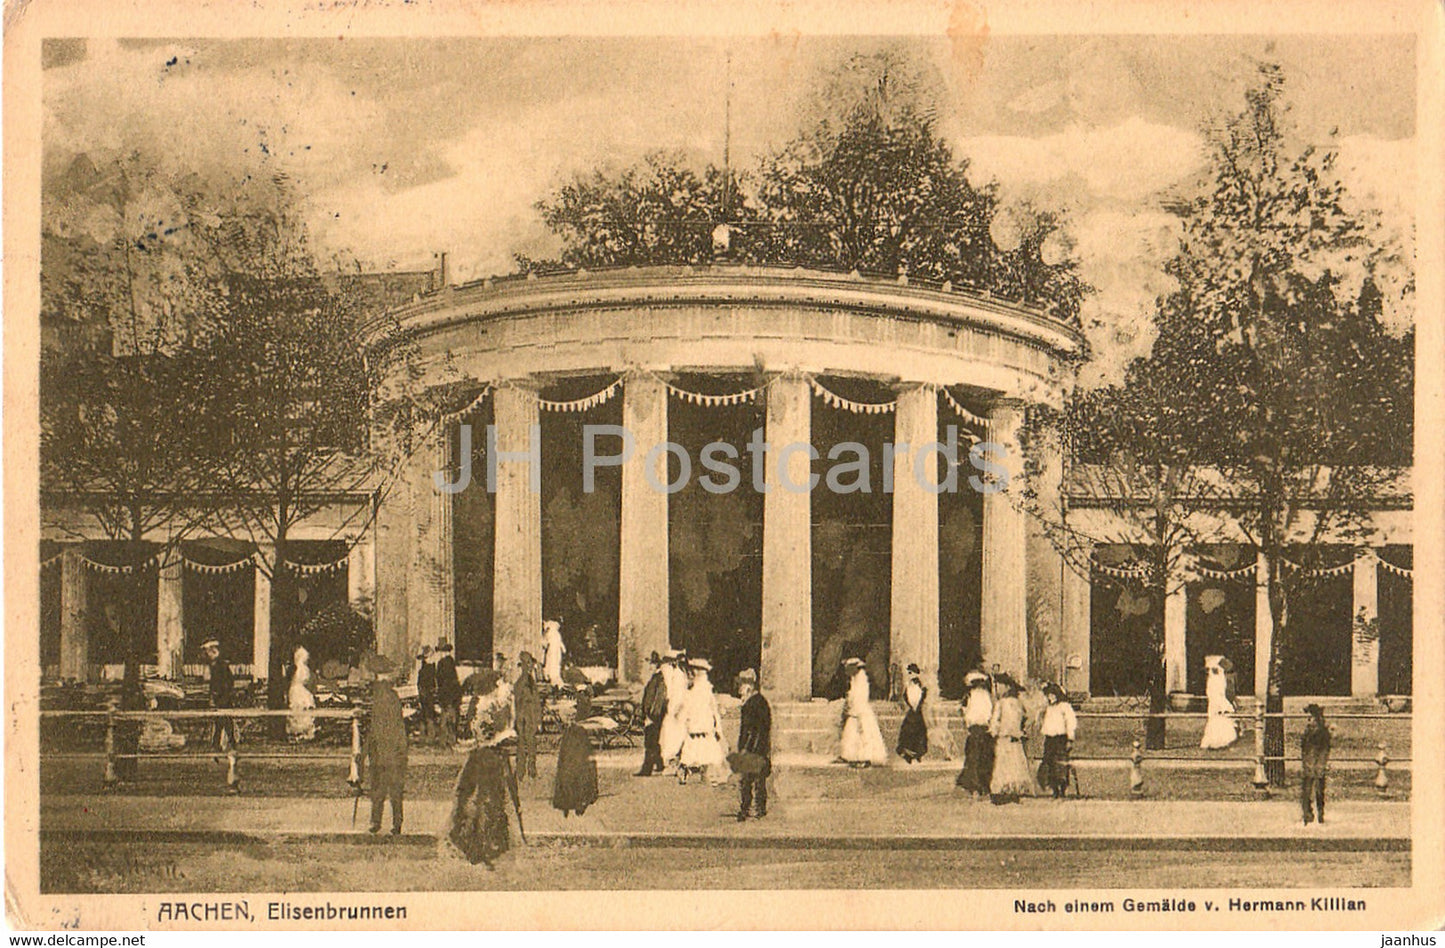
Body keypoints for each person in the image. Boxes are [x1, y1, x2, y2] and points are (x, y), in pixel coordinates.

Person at [449, 669, 517, 866]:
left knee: (481, 800)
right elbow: (488, 738)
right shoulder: (485, 709)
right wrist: (504, 735)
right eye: (498, 684)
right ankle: (483, 845)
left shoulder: (484, 706)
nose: (500, 687)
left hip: (481, 757)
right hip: (488, 759)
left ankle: (481, 842)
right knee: (487, 801)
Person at [359, 654, 408, 835]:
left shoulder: (379, 697)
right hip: (392, 747)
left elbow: (375, 727)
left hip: (382, 747)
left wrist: (364, 750)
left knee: (379, 787)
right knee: (393, 788)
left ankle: (377, 821)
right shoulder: (391, 696)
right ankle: (396, 822)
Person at [988, 675, 1038, 804]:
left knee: (1004, 765)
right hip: (1015, 738)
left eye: (999, 686)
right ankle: (1013, 791)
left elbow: (995, 721)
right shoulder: (1018, 703)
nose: (997, 689)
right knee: (1015, 765)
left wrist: (994, 732)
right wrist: (1023, 728)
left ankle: (1003, 792)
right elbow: (1031, 716)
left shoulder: (1002, 703)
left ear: (1006, 687)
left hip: (1005, 738)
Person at [678, 658, 728, 785]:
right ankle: (687, 770)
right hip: (696, 725)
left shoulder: (705, 689)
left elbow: (713, 709)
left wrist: (717, 726)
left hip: (704, 725)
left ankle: (711, 775)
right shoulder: (690, 690)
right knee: (693, 751)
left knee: (709, 752)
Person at [732, 669, 772, 821]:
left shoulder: (756, 703)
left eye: (742, 685)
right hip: (755, 747)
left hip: (754, 748)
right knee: (752, 780)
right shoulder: (755, 702)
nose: (739, 689)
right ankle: (754, 808)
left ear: (749, 685)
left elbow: (757, 729)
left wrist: (747, 749)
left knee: (751, 780)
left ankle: (751, 809)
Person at [202, 639, 240, 794]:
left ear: (214, 651)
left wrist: (219, 696)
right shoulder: (216, 665)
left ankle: (223, 746)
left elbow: (226, 683)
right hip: (221, 700)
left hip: (223, 700)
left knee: (223, 724)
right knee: (222, 724)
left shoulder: (221, 665)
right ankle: (222, 746)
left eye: (209, 652)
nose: (207, 655)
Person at [838, 657, 888, 768]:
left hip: (860, 710)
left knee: (864, 734)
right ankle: (851, 756)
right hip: (854, 710)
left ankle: (865, 758)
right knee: (851, 735)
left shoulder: (862, 679)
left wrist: (857, 712)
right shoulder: (854, 678)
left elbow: (860, 698)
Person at [956, 669, 995, 797]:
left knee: (977, 758)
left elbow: (966, 712)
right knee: (980, 758)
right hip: (981, 729)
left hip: (979, 729)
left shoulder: (975, 696)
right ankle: (980, 786)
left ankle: (979, 786)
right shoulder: (983, 696)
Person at [1038, 683, 1078, 799]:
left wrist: (1070, 738)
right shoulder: (1049, 708)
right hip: (1050, 739)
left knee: (1060, 764)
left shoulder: (1064, 707)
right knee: (1049, 763)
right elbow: (1043, 722)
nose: (1051, 698)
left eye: (1053, 695)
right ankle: (1054, 788)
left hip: (1061, 738)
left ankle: (1062, 789)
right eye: (1049, 695)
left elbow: (1071, 722)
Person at [553, 720, 599, 818]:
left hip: (579, 732)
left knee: (578, 764)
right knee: (569, 764)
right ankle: (568, 800)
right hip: (574, 732)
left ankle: (577, 800)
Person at [635, 651, 667, 777]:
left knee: (650, 741)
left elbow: (657, 699)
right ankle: (660, 764)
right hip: (653, 714)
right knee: (655, 740)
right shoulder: (656, 678)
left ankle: (646, 769)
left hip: (653, 715)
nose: (649, 667)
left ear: (656, 665)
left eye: (651, 664)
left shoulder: (659, 679)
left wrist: (650, 715)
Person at [1300, 703, 1331, 826]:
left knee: (1315, 788)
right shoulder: (1313, 731)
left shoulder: (1319, 732)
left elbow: (1323, 749)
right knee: (1310, 788)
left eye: (1310, 718)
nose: (1308, 721)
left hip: (1315, 764)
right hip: (1311, 764)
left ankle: (1316, 813)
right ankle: (1311, 813)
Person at [513, 651, 542, 781]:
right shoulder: (522, 682)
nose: (531, 666)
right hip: (525, 716)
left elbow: (535, 701)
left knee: (528, 743)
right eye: (529, 663)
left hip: (528, 715)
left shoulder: (529, 680)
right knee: (525, 743)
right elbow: (522, 700)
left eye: (531, 663)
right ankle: (522, 770)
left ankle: (529, 770)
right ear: (524, 665)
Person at [1200, 654, 1238, 749]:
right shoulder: (1213, 679)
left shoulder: (1220, 678)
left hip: (1220, 697)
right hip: (1215, 699)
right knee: (1216, 716)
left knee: (1221, 716)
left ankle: (1222, 740)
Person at [659, 649, 689, 769]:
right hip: (675, 705)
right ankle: (672, 757)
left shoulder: (678, 673)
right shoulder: (674, 673)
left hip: (679, 705)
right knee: (673, 731)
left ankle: (676, 757)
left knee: (678, 731)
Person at [895, 662, 929, 764]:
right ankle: (908, 754)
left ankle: (917, 754)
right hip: (912, 712)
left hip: (916, 713)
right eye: (908, 672)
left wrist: (915, 707)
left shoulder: (920, 687)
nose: (909, 674)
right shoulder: (909, 686)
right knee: (907, 732)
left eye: (911, 672)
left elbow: (918, 699)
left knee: (917, 732)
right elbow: (907, 698)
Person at [286, 644, 317, 741]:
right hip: (297, 690)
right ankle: (297, 731)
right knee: (297, 709)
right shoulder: (296, 668)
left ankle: (306, 731)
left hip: (303, 691)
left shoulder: (304, 668)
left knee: (305, 710)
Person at [435, 641, 460, 745]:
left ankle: (445, 741)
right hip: (453, 695)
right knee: (452, 718)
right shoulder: (452, 662)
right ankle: (452, 739)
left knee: (445, 719)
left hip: (446, 695)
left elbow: (440, 680)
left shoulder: (442, 663)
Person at [415, 645, 438, 742]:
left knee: (425, 714)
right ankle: (429, 735)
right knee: (428, 714)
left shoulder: (425, 669)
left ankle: (425, 735)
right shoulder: (429, 668)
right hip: (427, 693)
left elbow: (420, 683)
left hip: (424, 693)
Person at [541, 619, 567, 686]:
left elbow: (546, 643)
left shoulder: (555, 633)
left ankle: (555, 676)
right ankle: (551, 676)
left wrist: (562, 648)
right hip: (552, 650)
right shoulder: (551, 633)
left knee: (555, 662)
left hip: (556, 650)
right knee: (552, 662)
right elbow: (545, 642)